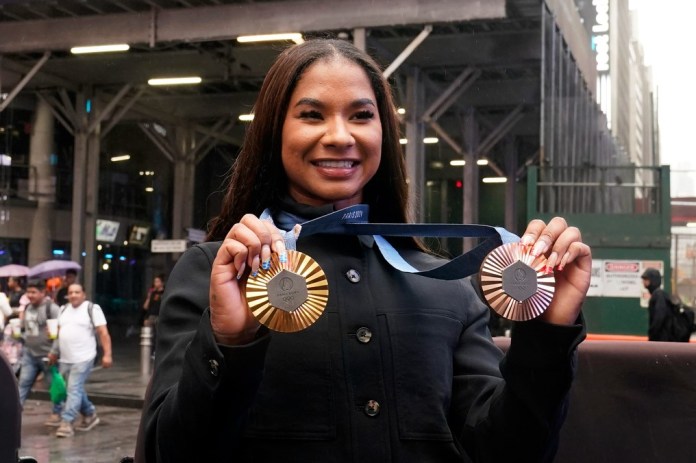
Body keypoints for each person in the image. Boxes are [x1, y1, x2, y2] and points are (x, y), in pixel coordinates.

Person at [139, 39, 591, 462]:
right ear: (274, 131)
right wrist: (230, 343)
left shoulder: (449, 290)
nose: (339, 135)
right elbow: (166, 452)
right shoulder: (218, 274)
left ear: (384, 133)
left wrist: (547, 334)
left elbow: (509, 453)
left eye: (360, 115)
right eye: (312, 115)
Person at [49, 283, 113, 438]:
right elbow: (58, 333)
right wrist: (53, 351)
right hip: (65, 358)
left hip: (84, 357)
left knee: (74, 388)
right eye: (70, 292)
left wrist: (107, 354)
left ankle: (67, 422)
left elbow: (103, 332)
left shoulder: (92, 309)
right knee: (73, 389)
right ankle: (90, 414)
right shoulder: (63, 310)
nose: (73, 295)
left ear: (83, 294)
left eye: (77, 292)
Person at [16, 279, 62, 426]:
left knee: (53, 385)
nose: (30, 295)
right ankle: (15, 411)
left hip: (47, 354)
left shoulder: (52, 308)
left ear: (43, 293)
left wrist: (54, 351)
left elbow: (60, 332)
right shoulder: (28, 307)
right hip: (30, 352)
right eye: (28, 292)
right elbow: (28, 329)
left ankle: (57, 413)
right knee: (23, 383)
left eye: (34, 292)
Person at [641, 267, 676, 341]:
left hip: (662, 341)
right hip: (662, 340)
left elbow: (659, 318)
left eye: (646, 279)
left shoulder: (658, 295)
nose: (644, 282)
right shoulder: (658, 294)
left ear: (653, 280)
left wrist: (652, 334)